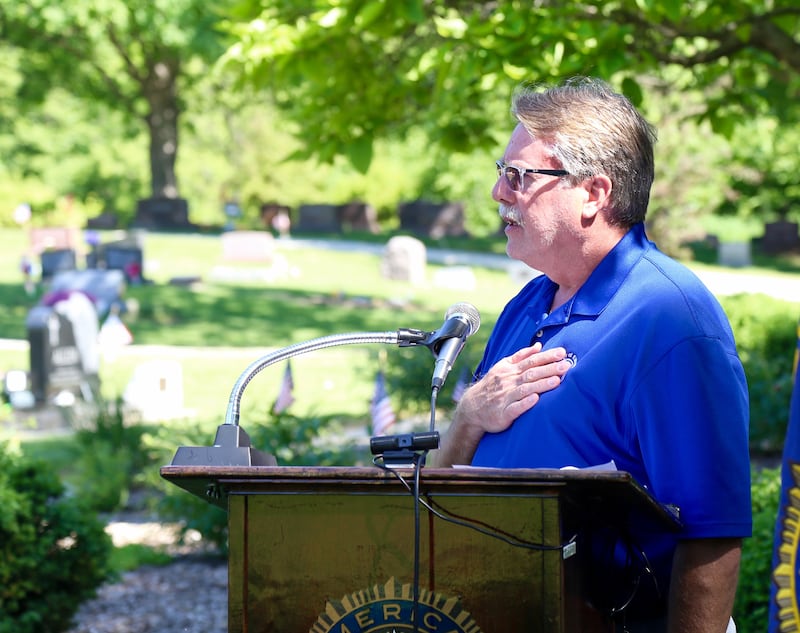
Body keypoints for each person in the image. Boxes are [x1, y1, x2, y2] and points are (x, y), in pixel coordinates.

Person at [430, 77, 751, 633]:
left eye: (520, 176)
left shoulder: (670, 322)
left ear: (595, 194)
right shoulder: (526, 305)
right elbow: (446, 486)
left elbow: (712, 534)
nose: (499, 193)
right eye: (501, 172)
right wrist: (466, 419)